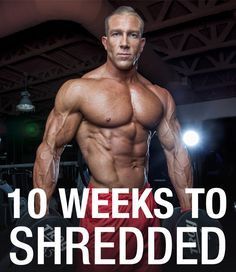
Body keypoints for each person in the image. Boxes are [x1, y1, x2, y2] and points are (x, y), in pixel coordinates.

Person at [33, 6, 192, 272]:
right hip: (104, 204)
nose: (124, 43)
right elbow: (51, 149)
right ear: (105, 42)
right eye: (117, 34)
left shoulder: (159, 96)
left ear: (141, 44)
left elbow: (176, 151)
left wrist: (189, 211)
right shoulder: (80, 89)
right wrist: (40, 213)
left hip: (145, 202)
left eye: (132, 35)